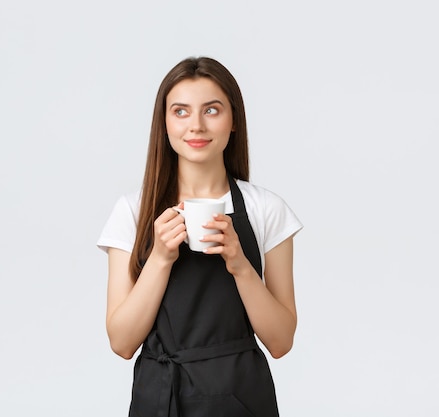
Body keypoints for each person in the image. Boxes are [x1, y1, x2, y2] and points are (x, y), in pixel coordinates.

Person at [97, 56, 302, 417]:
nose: (196, 126)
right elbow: (122, 342)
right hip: (160, 399)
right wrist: (160, 258)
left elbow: (281, 341)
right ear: (163, 123)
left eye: (211, 110)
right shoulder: (132, 211)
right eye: (180, 111)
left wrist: (239, 264)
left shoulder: (265, 209)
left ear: (233, 120)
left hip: (241, 399)